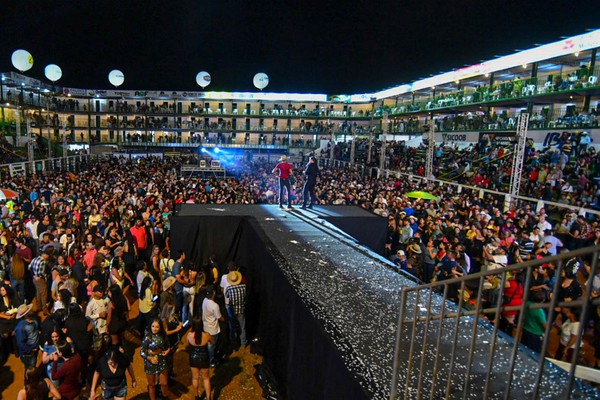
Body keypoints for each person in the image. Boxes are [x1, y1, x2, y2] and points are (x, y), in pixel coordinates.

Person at [141, 318, 174, 400]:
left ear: (160, 327)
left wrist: (167, 351)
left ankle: (165, 396)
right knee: (152, 385)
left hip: (161, 360)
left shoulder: (163, 335)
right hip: (150, 362)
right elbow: (142, 352)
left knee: (164, 383)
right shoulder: (147, 337)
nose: (154, 329)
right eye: (153, 326)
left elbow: (168, 346)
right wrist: (150, 358)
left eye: (157, 327)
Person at [187, 316, 215, 400]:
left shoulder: (189, 335)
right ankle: (208, 397)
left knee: (195, 378)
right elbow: (213, 342)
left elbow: (188, 344)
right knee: (206, 379)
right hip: (204, 358)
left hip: (193, 358)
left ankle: (196, 396)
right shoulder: (206, 335)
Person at [202, 285, 224, 365]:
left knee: (208, 345)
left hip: (206, 326)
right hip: (213, 329)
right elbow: (219, 317)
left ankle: (208, 358)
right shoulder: (215, 306)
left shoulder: (205, 300)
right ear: (214, 293)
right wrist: (224, 319)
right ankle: (211, 361)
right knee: (212, 345)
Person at [225, 270, 247, 347]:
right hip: (241, 309)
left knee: (232, 327)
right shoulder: (244, 287)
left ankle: (234, 344)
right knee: (242, 326)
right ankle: (243, 343)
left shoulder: (229, 289)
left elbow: (227, 296)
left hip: (232, 311)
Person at [14, 303, 40, 369]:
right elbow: (21, 343)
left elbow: (36, 330)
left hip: (35, 348)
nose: (32, 310)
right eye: (29, 310)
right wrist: (30, 351)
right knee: (30, 369)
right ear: (25, 314)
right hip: (29, 353)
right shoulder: (20, 327)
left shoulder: (33, 319)